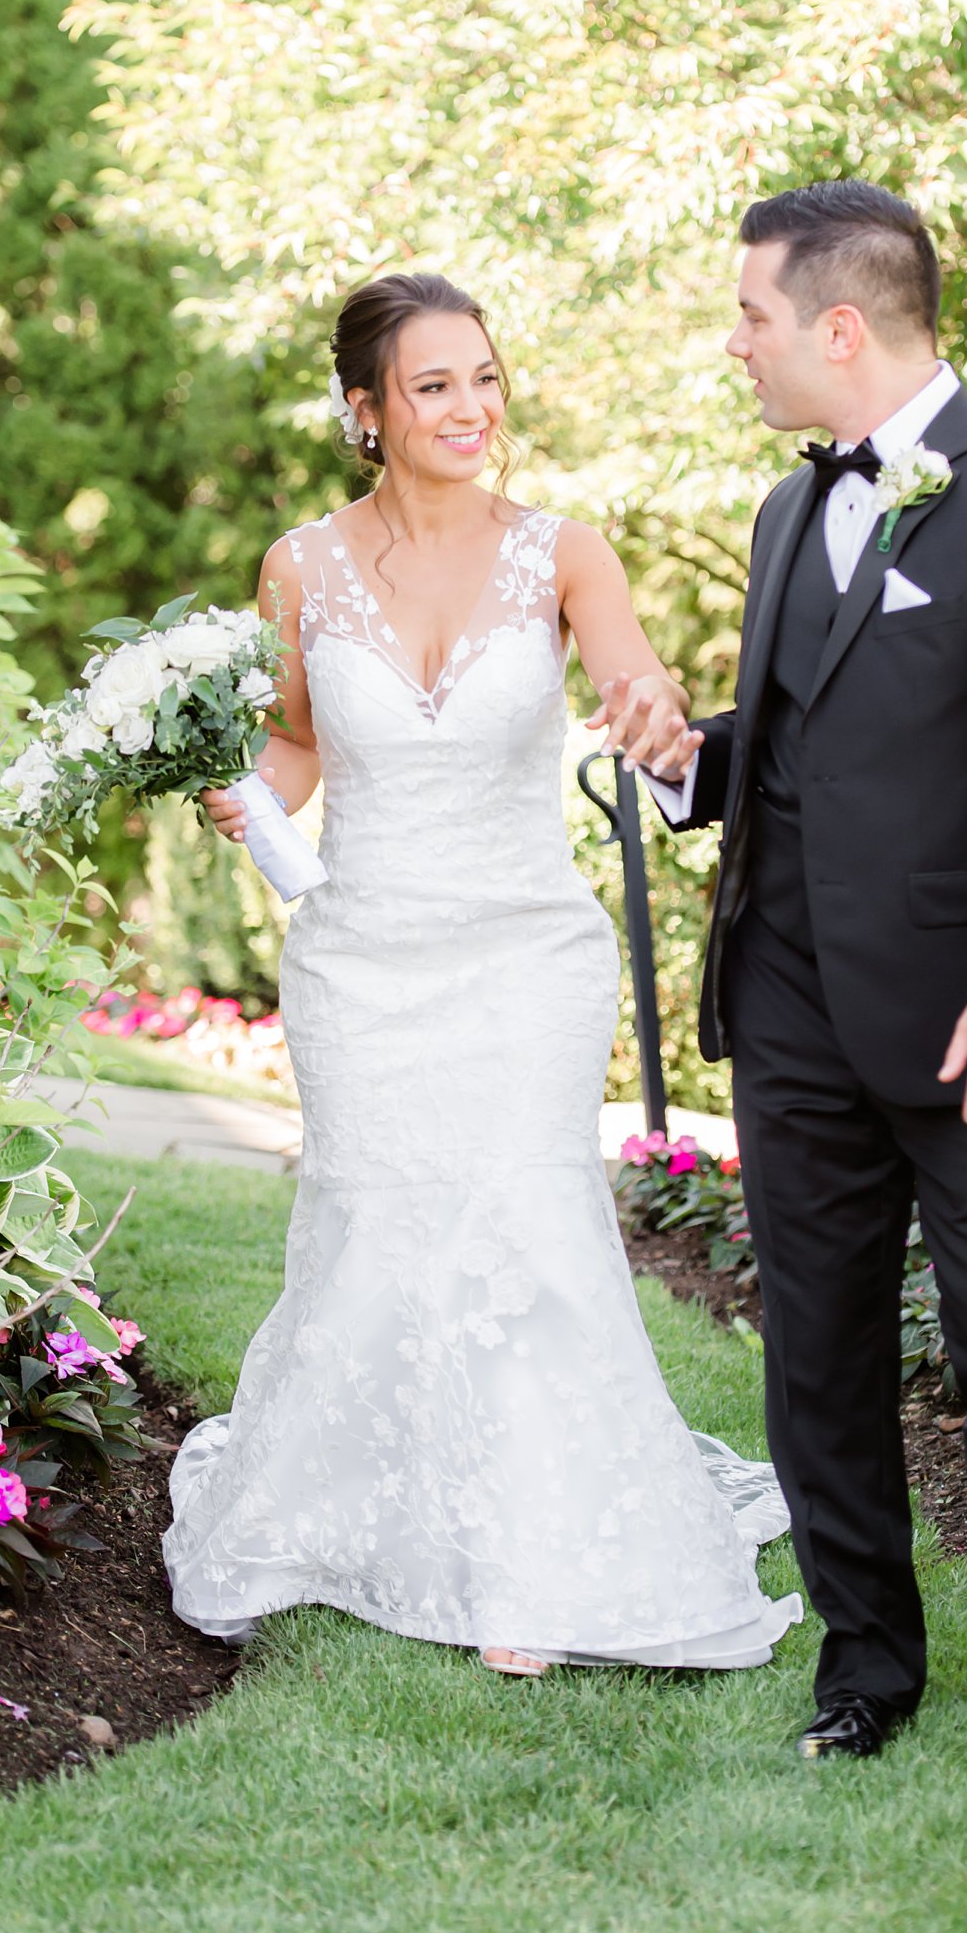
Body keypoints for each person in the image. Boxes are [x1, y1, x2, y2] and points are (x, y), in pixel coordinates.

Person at [161, 270, 801, 1677]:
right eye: (435, 384)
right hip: (361, 961)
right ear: (367, 410)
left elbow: (643, 701)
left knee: (521, 1226)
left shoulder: (566, 554)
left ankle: (524, 1556)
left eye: (485, 378)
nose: (470, 408)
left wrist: (649, 719)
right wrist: (245, 790)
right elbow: (299, 744)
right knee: (377, 1229)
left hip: (524, 955)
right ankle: (358, 1507)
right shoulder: (301, 568)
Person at [600, 181, 967, 1757]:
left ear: (840, 326)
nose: (734, 345)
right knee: (817, 1349)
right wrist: (694, 762)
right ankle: (864, 1665)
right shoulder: (784, 511)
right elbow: (807, 747)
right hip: (792, 1005)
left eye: (750, 317)